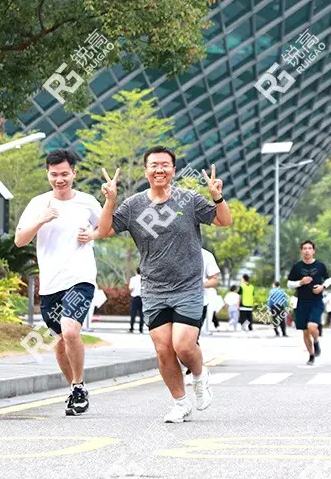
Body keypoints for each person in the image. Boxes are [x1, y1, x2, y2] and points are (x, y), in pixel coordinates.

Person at [95, 147, 232, 423]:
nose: (160, 170)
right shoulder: (133, 205)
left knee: (183, 346)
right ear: (146, 170)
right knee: (163, 350)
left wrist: (217, 196)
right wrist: (110, 200)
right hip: (154, 289)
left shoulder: (189, 199)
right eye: (154, 165)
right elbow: (104, 230)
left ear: (173, 170)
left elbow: (223, 220)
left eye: (165, 165)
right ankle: (180, 403)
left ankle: (199, 374)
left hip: (188, 287)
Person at [14, 149, 101, 416]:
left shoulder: (87, 202)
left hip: (80, 278)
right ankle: (75, 388)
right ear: (47, 174)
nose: (59, 179)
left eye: (64, 174)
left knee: (71, 331)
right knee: (62, 339)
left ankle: (79, 386)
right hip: (51, 284)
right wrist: (41, 220)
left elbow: (106, 227)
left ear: (74, 173)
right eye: (54, 175)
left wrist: (92, 234)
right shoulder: (37, 203)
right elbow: (20, 240)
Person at [287, 240, 329, 365]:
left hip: (316, 301)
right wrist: (300, 282)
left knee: (312, 326)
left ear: (313, 251)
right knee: (305, 332)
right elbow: (289, 284)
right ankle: (311, 355)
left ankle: (316, 341)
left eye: (309, 248)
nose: (307, 251)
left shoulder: (320, 265)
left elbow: (329, 279)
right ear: (301, 251)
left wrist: (322, 287)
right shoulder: (297, 267)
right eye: (304, 248)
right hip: (301, 302)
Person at [201, 250, 220, 338]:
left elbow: (214, 280)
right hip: (169, 301)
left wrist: (197, 285)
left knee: (189, 340)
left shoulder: (205, 254)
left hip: (197, 303)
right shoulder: (168, 250)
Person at [128, 267, 143, 333]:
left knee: (133, 313)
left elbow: (131, 288)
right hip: (142, 298)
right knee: (142, 314)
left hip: (135, 298)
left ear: (136, 271)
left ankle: (131, 328)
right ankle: (141, 329)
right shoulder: (144, 279)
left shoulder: (133, 279)